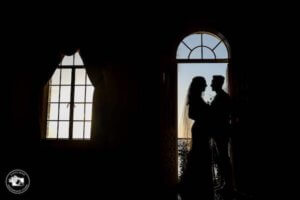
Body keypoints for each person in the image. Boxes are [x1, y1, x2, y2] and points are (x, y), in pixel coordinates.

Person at [179, 76, 213, 200]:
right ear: (199, 85)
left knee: (200, 153)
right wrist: (205, 114)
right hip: (199, 129)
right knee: (200, 153)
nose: (205, 86)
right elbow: (191, 114)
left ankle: (199, 184)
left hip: (201, 128)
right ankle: (198, 185)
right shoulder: (195, 98)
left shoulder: (197, 98)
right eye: (204, 84)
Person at [210, 75, 234, 200]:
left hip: (221, 132)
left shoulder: (222, 97)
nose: (211, 85)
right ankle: (225, 184)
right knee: (223, 158)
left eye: (213, 82)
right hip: (220, 132)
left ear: (218, 84)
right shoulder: (223, 97)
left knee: (224, 158)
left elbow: (226, 115)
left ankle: (228, 185)